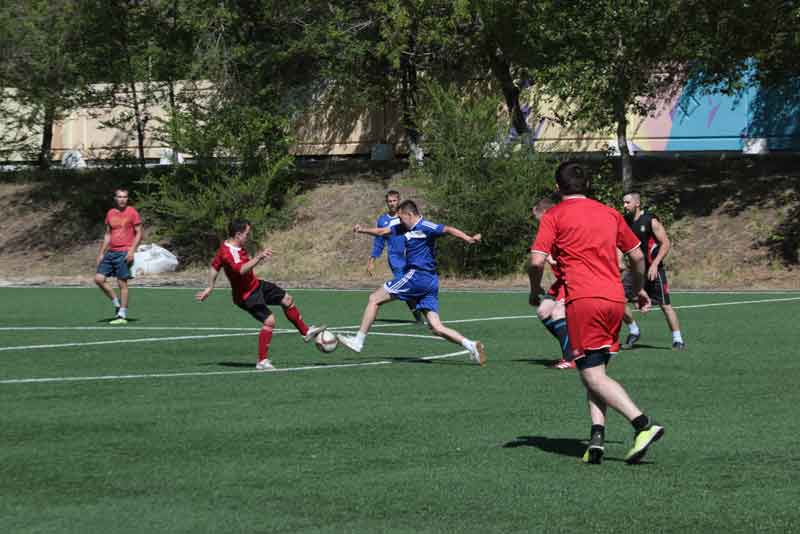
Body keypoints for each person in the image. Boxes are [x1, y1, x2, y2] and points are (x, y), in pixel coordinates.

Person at [528, 161, 664, 465]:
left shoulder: (554, 215)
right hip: (614, 299)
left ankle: (643, 424)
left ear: (557, 187)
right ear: (587, 185)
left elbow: (536, 262)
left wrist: (534, 290)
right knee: (595, 373)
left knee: (591, 373)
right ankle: (597, 439)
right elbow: (638, 256)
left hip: (584, 300)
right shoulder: (610, 213)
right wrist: (639, 289)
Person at [337, 199, 486, 366]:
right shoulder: (403, 227)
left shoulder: (426, 226)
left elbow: (448, 229)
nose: (399, 221)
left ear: (409, 214)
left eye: (401, 218)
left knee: (374, 298)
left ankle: (358, 340)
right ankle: (471, 345)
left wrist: (469, 239)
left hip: (418, 276)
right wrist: (363, 230)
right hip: (430, 281)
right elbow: (382, 232)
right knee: (436, 327)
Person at [195, 219, 325, 371]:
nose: (248, 237)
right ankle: (262, 361)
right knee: (270, 321)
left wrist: (210, 286)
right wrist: (259, 257)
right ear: (238, 234)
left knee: (287, 299)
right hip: (246, 296)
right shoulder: (228, 252)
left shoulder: (227, 246)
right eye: (247, 234)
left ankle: (306, 332)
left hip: (256, 285)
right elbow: (241, 270)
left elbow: (214, 266)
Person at [620, 192, 685, 350]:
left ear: (637, 203)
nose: (624, 205)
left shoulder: (650, 220)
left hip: (653, 270)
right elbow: (621, 245)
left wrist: (655, 264)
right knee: (617, 300)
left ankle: (678, 339)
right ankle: (634, 330)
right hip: (635, 271)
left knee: (665, 305)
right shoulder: (625, 221)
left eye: (627, 202)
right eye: (623, 202)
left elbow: (666, 243)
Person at [366, 190, 424, 324]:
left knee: (414, 285)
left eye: (394, 201)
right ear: (386, 203)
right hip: (396, 259)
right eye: (389, 201)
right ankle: (375, 304)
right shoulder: (383, 220)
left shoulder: (406, 216)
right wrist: (372, 260)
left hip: (411, 257)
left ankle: (420, 314)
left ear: (399, 201)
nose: (392, 204)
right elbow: (378, 242)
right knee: (404, 285)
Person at [531, 196, 574, 369]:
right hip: (560, 280)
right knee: (543, 312)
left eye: (536, 215)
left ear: (542, 212)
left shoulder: (559, 224)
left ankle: (570, 359)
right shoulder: (549, 228)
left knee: (557, 313)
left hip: (572, 279)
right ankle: (573, 347)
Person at [95, 188, 142, 325]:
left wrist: (132, 250)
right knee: (98, 279)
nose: (122, 199)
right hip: (111, 252)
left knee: (122, 283)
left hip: (124, 252)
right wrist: (101, 253)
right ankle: (116, 304)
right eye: (120, 197)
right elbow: (108, 234)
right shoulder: (110, 213)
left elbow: (139, 233)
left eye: (125, 197)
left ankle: (122, 315)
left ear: (127, 199)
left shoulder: (132, 212)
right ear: (115, 198)